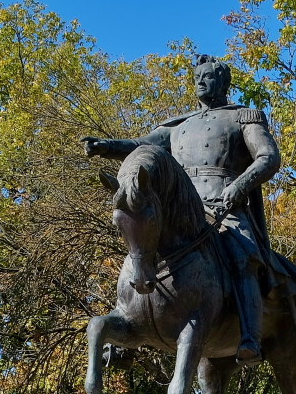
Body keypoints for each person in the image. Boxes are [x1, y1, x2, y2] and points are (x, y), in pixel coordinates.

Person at [84, 55, 278, 363]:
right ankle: (124, 332)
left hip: (225, 207)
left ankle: (250, 337)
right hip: (184, 211)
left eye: (208, 77)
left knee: (243, 256)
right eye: (197, 77)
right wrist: (106, 147)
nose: (200, 82)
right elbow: (139, 144)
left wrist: (239, 186)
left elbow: (268, 158)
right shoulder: (178, 126)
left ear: (224, 83)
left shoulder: (243, 117)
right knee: (140, 246)